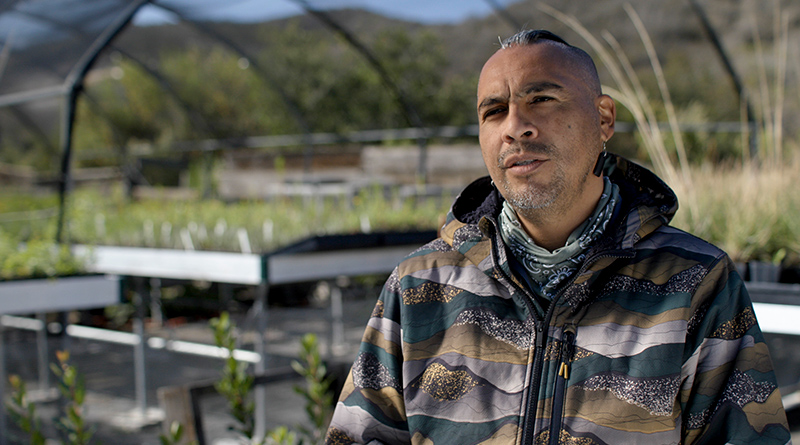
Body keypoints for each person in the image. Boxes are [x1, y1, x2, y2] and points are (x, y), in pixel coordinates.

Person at [325, 29, 790, 444]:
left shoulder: (693, 283)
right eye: (494, 111)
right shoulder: (420, 287)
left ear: (604, 119)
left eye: (542, 99)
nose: (515, 127)